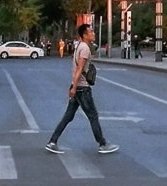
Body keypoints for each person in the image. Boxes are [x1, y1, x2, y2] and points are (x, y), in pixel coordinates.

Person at [45, 23, 118, 155]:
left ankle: (52, 141)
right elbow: (79, 69)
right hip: (82, 88)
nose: (93, 34)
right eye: (91, 32)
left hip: (77, 87)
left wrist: (73, 85)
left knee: (68, 116)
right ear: (84, 35)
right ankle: (102, 143)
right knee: (93, 116)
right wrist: (74, 86)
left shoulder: (80, 46)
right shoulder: (84, 48)